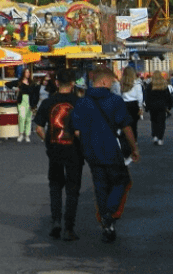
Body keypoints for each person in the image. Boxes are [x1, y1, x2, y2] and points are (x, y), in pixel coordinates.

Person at [71, 63, 138, 243]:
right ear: (103, 81)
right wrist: (134, 148)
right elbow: (126, 126)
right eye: (110, 81)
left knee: (100, 186)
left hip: (91, 152)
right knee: (121, 181)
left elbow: (76, 130)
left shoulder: (82, 102)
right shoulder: (115, 101)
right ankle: (109, 213)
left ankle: (106, 224)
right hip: (112, 150)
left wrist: (87, 142)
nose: (112, 85)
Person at [37, 72, 83, 240]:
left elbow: (39, 128)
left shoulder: (48, 102)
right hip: (74, 150)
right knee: (73, 189)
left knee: (55, 187)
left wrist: (47, 141)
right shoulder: (78, 102)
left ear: (57, 83)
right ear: (72, 84)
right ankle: (69, 228)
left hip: (55, 149)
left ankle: (56, 221)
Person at [143, 73, 173, 147]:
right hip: (161, 106)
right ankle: (160, 138)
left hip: (152, 107)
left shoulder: (150, 86)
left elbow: (147, 97)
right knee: (161, 122)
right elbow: (168, 97)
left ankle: (155, 136)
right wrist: (169, 106)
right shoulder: (164, 85)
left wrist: (147, 107)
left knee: (154, 122)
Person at [14, 72, 41, 144]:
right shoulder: (20, 82)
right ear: (23, 73)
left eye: (29, 72)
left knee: (28, 118)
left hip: (29, 100)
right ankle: (21, 134)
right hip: (22, 100)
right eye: (26, 72)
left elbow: (35, 93)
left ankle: (27, 135)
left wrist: (34, 103)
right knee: (22, 117)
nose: (28, 74)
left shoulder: (32, 83)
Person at [119, 65, 144, 132]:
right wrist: (140, 107)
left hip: (124, 104)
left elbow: (119, 95)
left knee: (125, 124)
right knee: (134, 124)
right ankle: (134, 140)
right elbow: (140, 96)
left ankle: (126, 138)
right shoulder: (137, 83)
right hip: (134, 104)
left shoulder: (121, 83)